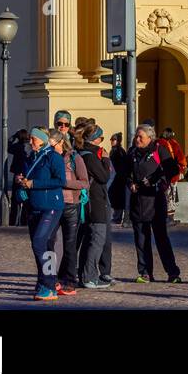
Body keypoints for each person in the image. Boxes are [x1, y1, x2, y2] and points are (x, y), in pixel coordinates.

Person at [16, 127, 66, 301]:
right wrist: (21, 181)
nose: (31, 142)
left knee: (39, 243)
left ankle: (49, 284)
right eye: (30, 139)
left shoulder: (54, 157)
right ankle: (44, 281)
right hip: (33, 207)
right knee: (46, 248)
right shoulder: (31, 157)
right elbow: (27, 176)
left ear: (42, 140)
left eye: (34, 139)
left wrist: (34, 183)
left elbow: (60, 180)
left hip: (51, 206)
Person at [128, 124, 182, 283]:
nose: (137, 139)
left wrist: (157, 180)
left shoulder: (159, 150)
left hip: (155, 200)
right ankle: (145, 272)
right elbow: (125, 172)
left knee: (161, 238)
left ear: (150, 138)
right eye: (136, 136)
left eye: (140, 137)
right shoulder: (132, 152)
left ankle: (172, 272)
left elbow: (172, 169)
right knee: (141, 239)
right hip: (138, 200)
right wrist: (129, 182)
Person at [77, 124, 115, 288]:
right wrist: (106, 159)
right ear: (96, 139)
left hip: (89, 202)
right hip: (95, 202)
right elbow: (104, 176)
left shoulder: (81, 152)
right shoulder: (90, 156)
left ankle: (84, 275)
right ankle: (89, 277)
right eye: (101, 138)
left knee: (89, 240)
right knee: (97, 240)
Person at [51, 127, 88, 295]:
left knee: (70, 245)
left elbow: (84, 183)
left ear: (61, 142)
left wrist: (63, 182)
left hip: (70, 205)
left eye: (52, 145)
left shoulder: (74, 158)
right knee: (48, 244)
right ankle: (49, 279)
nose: (50, 149)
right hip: (50, 205)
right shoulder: (47, 157)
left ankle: (70, 281)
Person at [7, 129, 32, 226]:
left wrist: (14, 136)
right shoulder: (30, 147)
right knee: (25, 198)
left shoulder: (17, 146)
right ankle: (24, 221)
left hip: (18, 175)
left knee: (15, 199)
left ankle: (13, 221)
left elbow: (8, 147)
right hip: (27, 175)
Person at [108, 133, 130, 225]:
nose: (112, 141)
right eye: (111, 139)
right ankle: (116, 216)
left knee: (118, 198)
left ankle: (118, 217)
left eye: (114, 140)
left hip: (119, 178)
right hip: (115, 178)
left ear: (118, 141)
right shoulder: (114, 150)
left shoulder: (120, 151)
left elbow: (121, 166)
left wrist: (119, 177)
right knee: (115, 198)